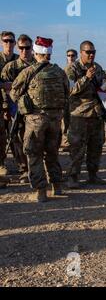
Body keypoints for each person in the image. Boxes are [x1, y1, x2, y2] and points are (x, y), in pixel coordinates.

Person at [9, 37, 69, 202]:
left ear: (36, 53)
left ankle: (40, 191)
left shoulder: (28, 72)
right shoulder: (59, 72)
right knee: (52, 154)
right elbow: (66, 93)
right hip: (55, 120)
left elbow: (13, 94)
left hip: (36, 120)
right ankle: (57, 187)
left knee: (34, 154)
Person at [65, 41, 106, 188]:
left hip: (96, 114)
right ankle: (73, 177)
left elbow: (103, 85)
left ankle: (93, 175)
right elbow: (70, 90)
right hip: (79, 115)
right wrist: (86, 78)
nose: (91, 55)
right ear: (81, 52)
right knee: (77, 148)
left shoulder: (98, 68)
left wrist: (105, 87)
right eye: (88, 52)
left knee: (96, 146)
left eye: (93, 52)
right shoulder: (72, 69)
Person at [2, 34, 36, 183]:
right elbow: (5, 90)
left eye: (27, 48)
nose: (24, 51)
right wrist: (6, 109)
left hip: (35, 110)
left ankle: (33, 169)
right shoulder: (11, 67)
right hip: (15, 109)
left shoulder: (37, 65)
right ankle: (24, 168)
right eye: (21, 48)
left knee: (34, 139)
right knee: (17, 139)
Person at [0, 31, 19, 176]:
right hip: (0, 103)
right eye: (6, 41)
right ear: (1, 42)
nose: (9, 44)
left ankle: (22, 164)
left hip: (16, 104)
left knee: (16, 135)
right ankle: (1, 164)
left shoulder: (19, 60)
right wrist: (3, 85)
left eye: (11, 41)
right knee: (1, 135)